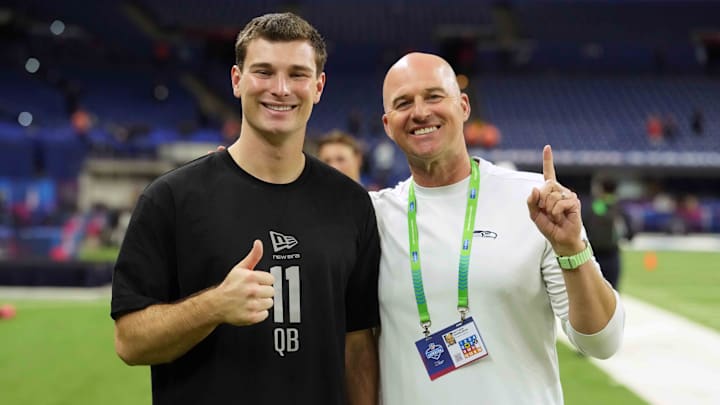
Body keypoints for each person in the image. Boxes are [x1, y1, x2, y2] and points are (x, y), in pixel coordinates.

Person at [111, 13, 380, 405]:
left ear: (318, 86)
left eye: (298, 74)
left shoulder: (351, 204)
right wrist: (214, 306)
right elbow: (130, 342)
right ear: (237, 80)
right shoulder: (171, 198)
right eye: (264, 72)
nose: (281, 88)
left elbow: (357, 346)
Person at [370, 52, 624, 404]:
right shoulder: (375, 218)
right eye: (403, 103)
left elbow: (602, 341)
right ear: (387, 123)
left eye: (433, 96)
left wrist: (572, 251)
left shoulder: (533, 200)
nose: (420, 112)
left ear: (463, 106)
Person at [583, 178, 633, 289]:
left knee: (593, 292)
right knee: (613, 292)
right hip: (612, 254)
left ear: (600, 189)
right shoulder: (619, 207)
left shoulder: (592, 206)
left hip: (593, 254)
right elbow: (630, 232)